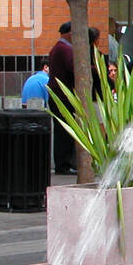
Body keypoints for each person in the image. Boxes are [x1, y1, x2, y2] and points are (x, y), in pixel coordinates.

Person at [47, 22, 77, 174]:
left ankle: (64, 163)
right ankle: (63, 164)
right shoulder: (65, 49)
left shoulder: (58, 48)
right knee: (64, 131)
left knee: (62, 131)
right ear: (69, 33)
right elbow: (72, 69)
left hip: (58, 95)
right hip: (62, 96)